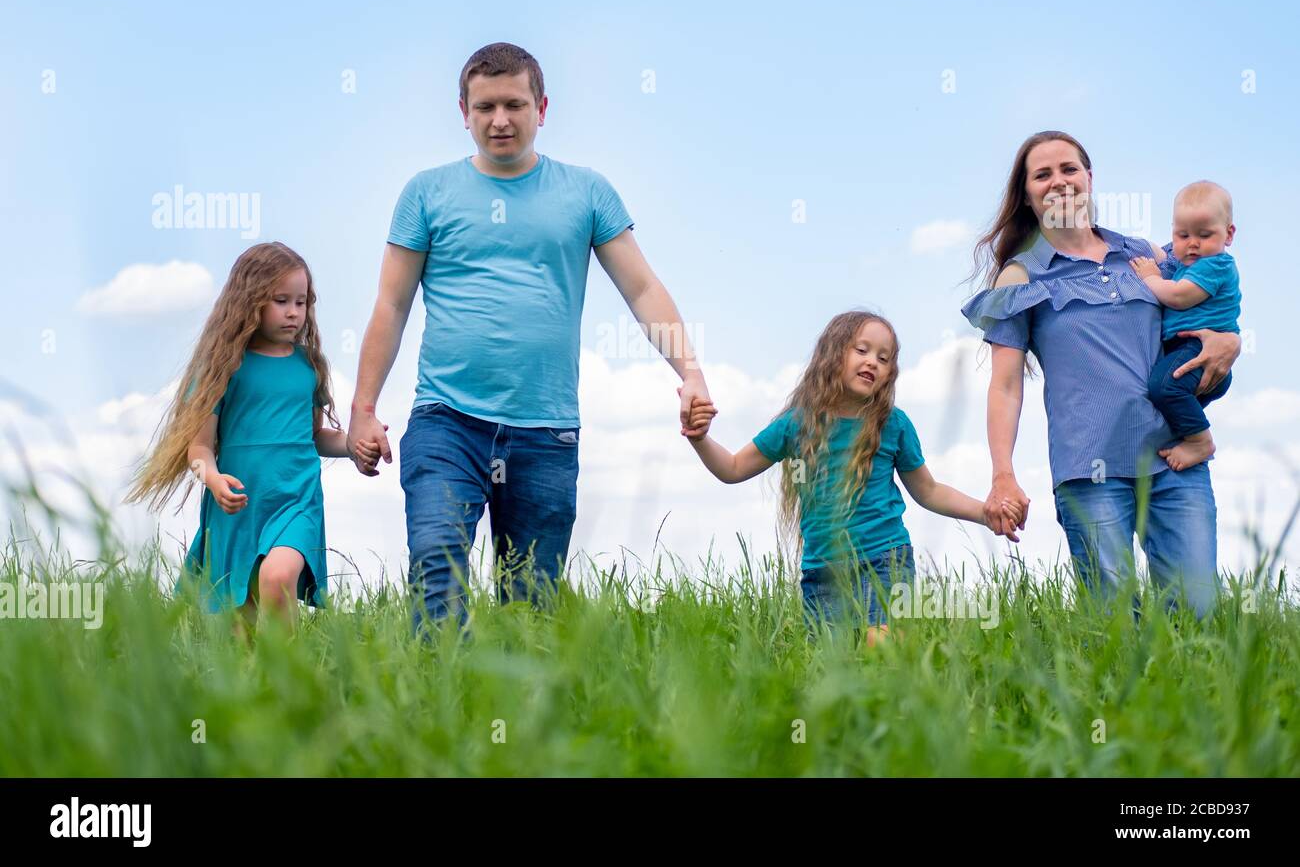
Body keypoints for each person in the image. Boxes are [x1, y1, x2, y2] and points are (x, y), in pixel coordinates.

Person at [346, 42, 714, 635]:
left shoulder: (587, 192)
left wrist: (690, 372)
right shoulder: (426, 193)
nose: (500, 120)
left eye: (514, 104)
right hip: (446, 420)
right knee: (436, 569)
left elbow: (642, 289)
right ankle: (441, 711)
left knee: (531, 607)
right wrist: (363, 411)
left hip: (546, 428)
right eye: (485, 106)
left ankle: (519, 722)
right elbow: (391, 306)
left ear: (542, 107)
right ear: (462, 110)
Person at [960, 131, 1240, 617]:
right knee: (1114, 625)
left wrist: (1230, 340)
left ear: (1089, 178)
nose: (1059, 181)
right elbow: (1005, 387)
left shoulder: (1147, 254)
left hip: (1174, 456)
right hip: (1090, 470)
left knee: (1198, 613)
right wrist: (1003, 474)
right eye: (1042, 174)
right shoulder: (1021, 276)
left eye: (1069, 169)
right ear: (1027, 194)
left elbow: (1208, 305)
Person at [681, 311, 1014, 641]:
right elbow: (733, 469)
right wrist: (700, 439)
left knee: (880, 646)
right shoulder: (796, 425)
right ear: (832, 354)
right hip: (822, 572)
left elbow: (928, 490)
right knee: (833, 667)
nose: (873, 362)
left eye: (884, 359)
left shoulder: (893, 425)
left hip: (885, 560)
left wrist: (985, 513)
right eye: (862, 350)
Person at [125, 242, 349, 635]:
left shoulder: (309, 365)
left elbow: (315, 436)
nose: (294, 312)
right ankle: (263, 689)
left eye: (302, 301)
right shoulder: (222, 368)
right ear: (249, 301)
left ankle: (289, 686)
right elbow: (198, 448)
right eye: (281, 300)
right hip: (240, 504)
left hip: (296, 498)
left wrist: (353, 446)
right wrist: (212, 478)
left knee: (278, 579)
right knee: (242, 626)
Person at [1128, 180, 1241, 471]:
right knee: (1166, 396)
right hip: (1191, 351)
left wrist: (1151, 279)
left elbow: (1179, 297)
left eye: (1205, 235)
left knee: (1163, 388)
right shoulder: (1185, 264)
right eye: (1183, 235)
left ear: (1228, 234)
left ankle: (1200, 441)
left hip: (1198, 348)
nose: (1193, 243)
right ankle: (1182, 435)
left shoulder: (1215, 265)